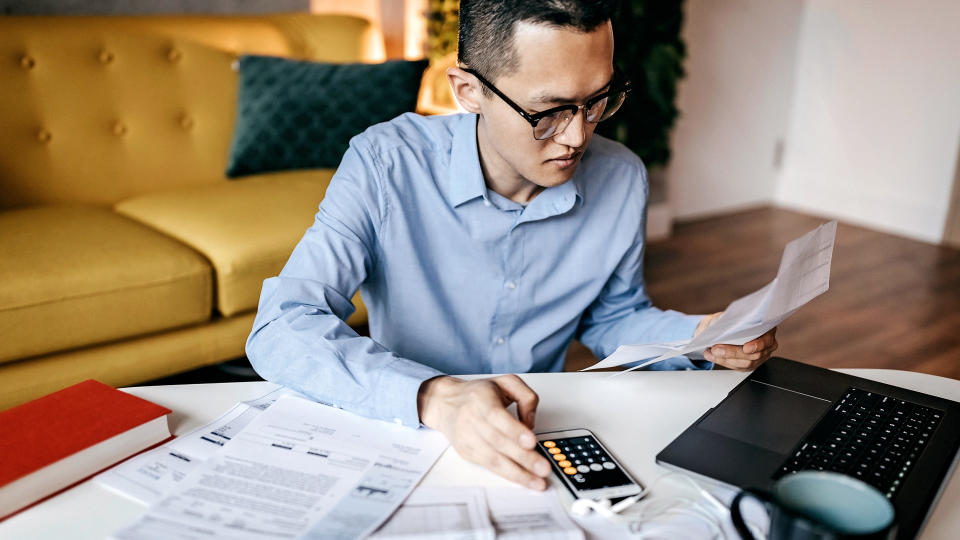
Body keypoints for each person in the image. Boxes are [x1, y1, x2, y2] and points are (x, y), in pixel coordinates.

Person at [246, 0, 778, 492]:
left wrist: (699, 336)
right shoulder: (386, 164)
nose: (577, 137)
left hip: (539, 437)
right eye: (548, 111)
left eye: (597, 101)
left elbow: (614, 317)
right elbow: (282, 325)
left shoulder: (622, 178)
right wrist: (433, 395)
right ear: (468, 90)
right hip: (408, 430)